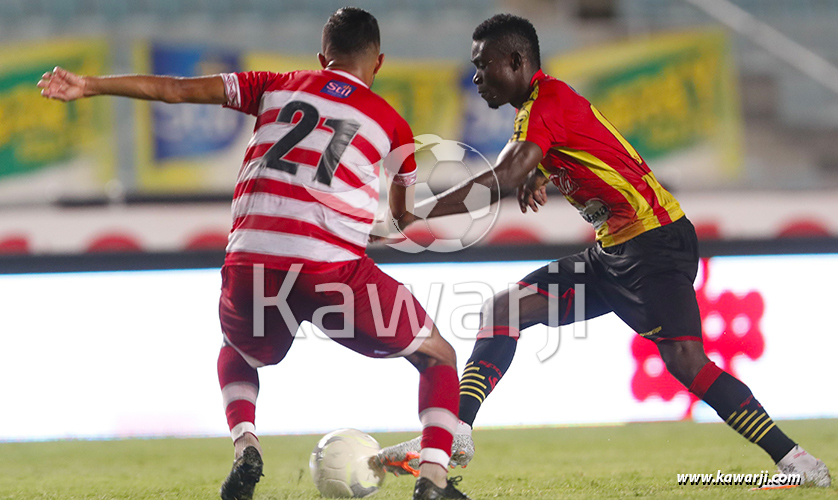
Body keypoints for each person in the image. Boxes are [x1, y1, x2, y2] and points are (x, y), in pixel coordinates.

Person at [378, 13, 831, 489]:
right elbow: (585, 150)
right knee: (503, 309)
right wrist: (542, 172)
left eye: (481, 65)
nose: (475, 77)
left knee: (688, 365)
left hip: (654, 244)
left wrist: (414, 214)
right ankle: (457, 432)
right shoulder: (541, 107)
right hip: (616, 251)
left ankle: (796, 461)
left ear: (514, 61)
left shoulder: (544, 105)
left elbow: (503, 179)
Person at [38, 7, 472, 500]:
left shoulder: (273, 84)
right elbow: (402, 217)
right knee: (438, 355)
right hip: (331, 267)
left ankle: (246, 444)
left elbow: (178, 90)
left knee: (238, 351)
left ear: (320, 57)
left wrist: (90, 85)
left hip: (251, 261)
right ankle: (434, 479)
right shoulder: (393, 125)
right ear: (379, 64)